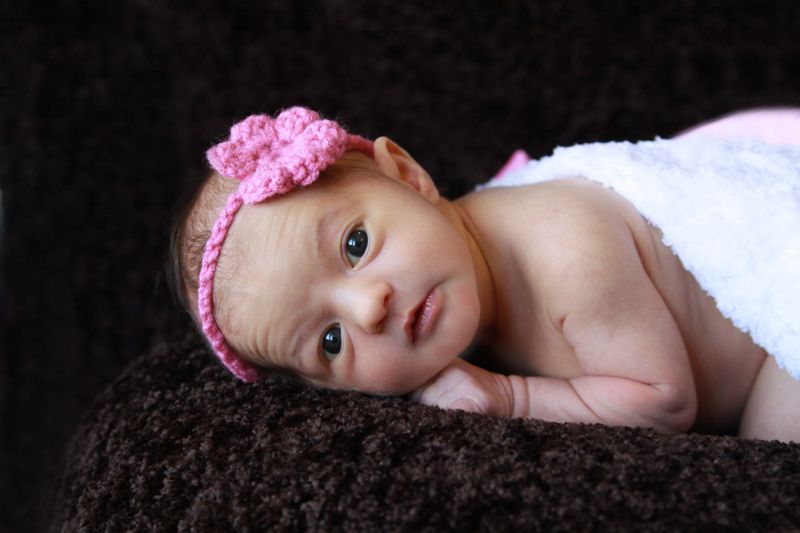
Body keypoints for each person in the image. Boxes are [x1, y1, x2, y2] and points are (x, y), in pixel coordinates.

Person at [169, 107, 800, 443]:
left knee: (775, 440)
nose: (368, 309)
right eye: (330, 342)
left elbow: (665, 403)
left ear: (409, 176)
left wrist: (509, 399)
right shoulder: (458, 281)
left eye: (355, 245)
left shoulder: (565, 252)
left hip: (782, 302)